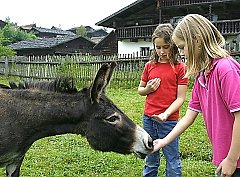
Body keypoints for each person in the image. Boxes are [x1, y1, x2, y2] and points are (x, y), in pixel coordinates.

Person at [152, 14, 240, 177]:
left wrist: (232, 159)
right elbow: (189, 116)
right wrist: (164, 141)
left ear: (197, 41)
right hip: (224, 158)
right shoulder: (202, 76)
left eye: (182, 47)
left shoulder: (225, 69)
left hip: (235, 159)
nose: (181, 53)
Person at [138, 23, 188, 177]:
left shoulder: (180, 68)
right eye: (158, 47)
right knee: (150, 157)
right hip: (149, 119)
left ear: (173, 45)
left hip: (169, 121)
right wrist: (148, 90)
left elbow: (181, 98)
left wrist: (166, 114)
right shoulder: (149, 66)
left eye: (165, 47)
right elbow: (140, 90)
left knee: (172, 159)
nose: (161, 51)